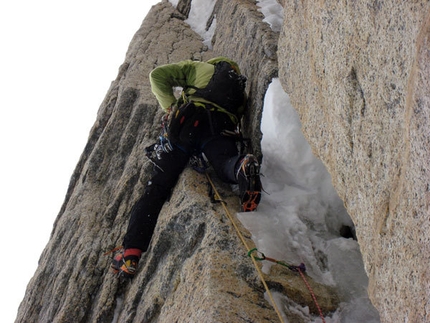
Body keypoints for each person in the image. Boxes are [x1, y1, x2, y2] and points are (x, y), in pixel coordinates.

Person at [111, 57, 262, 278]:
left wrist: (171, 106)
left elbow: (157, 75)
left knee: (157, 188)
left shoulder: (199, 67)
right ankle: (241, 167)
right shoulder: (240, 93)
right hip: (221, 128)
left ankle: (130, 253)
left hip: (188, 122)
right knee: (223, 164)